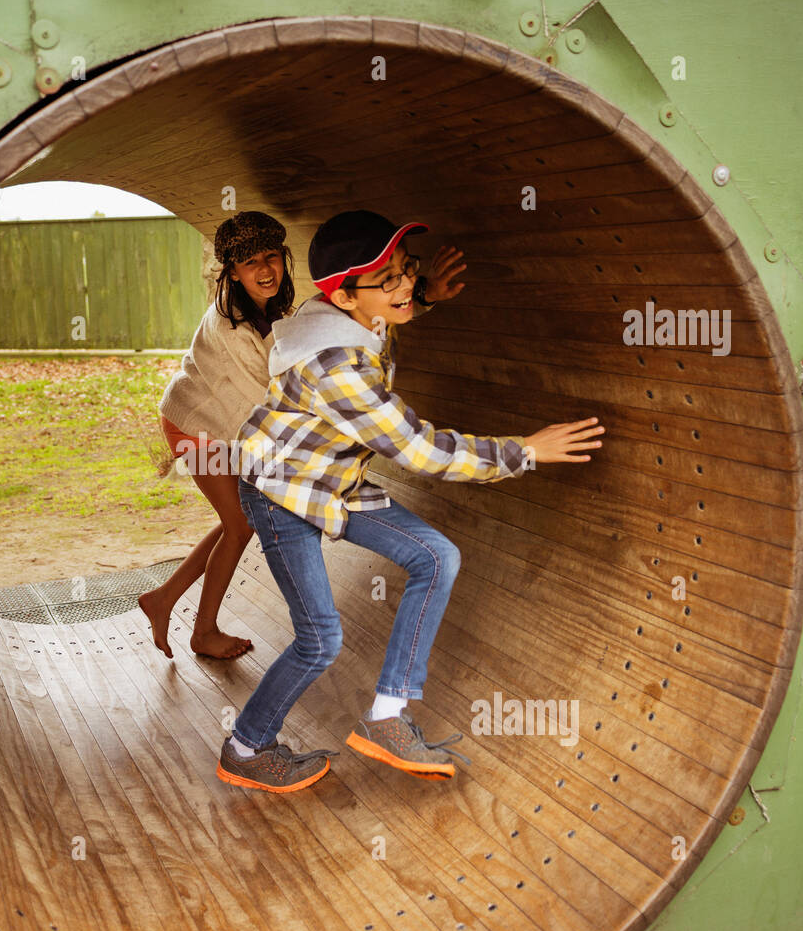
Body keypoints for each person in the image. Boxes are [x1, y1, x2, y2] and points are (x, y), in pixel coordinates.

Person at [219, 209, 605, 793]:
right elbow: (419, 450)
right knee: (320, 639)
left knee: (436, 556)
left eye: (407, 270)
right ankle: (246, 747)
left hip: (332, 478)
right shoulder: (336, 367)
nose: (402, 286)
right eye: (390, 280)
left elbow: (383, 316)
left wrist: (424, 296)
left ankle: (385, 719)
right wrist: (523, 451)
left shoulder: (351, 316)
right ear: (346, 297)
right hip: (281, 489)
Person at [138, 211, 296, 660]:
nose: (265, 270)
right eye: (250, 264)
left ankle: (163, 599)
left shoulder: (264, 309)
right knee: (240, 524)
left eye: (271, 258)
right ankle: (203, 633)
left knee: (237, 522)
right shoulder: (234, 327)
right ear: (232, 271)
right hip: (195, 427)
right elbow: (269, 403)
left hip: (214, 425)